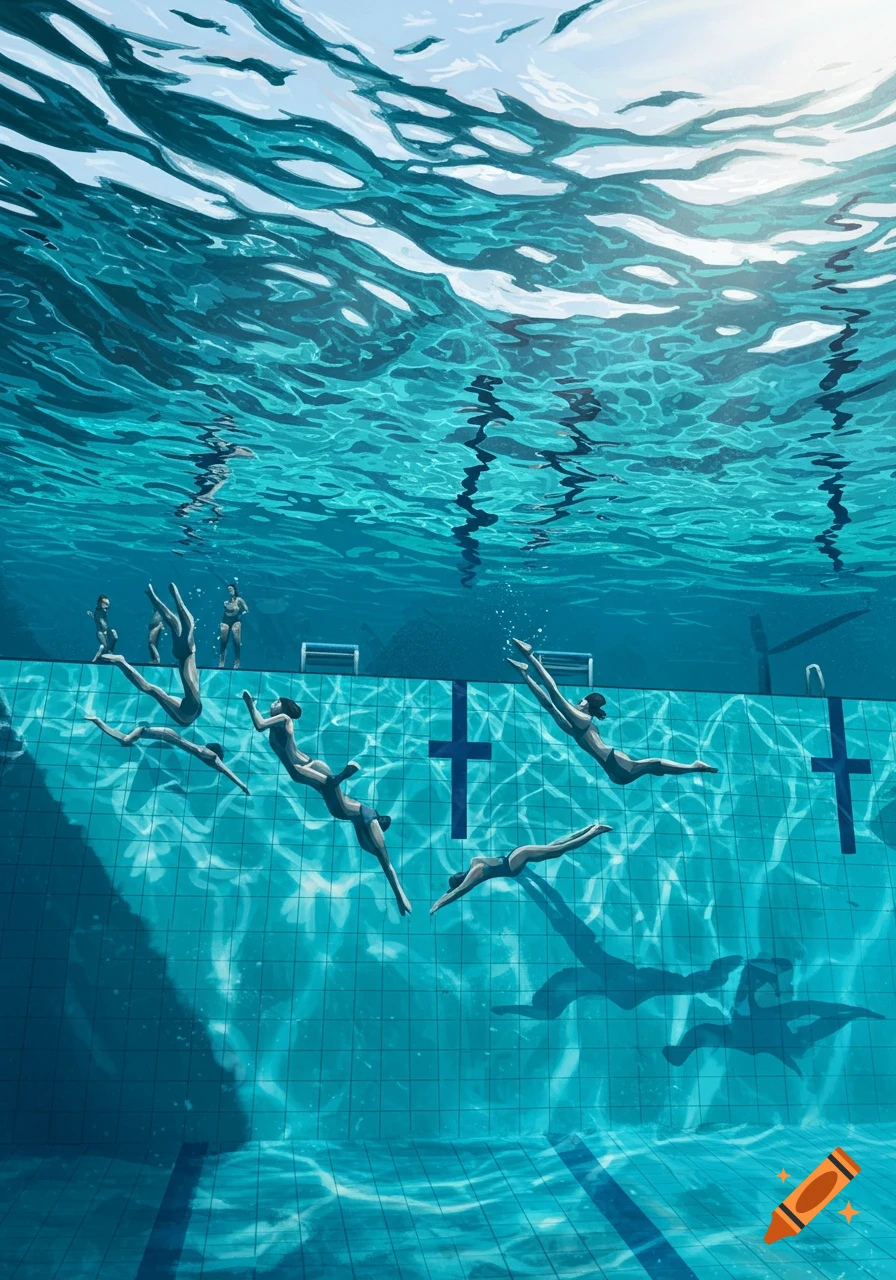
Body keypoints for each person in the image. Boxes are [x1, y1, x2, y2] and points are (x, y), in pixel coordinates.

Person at [242, 691, 411, 916]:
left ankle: (344, 775)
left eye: (277, 702)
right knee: (377, 850)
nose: (273, 703)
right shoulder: (281, 722)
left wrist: (250, 704)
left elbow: (259, 724)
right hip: (310, 771)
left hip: (311, 773)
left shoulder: (284, 719)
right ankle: (343, 775)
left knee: (381, 853)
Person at [508, 638, 717, 784]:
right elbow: (548, 703)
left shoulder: (581, 721)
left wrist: (530, 656)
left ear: (585, 703)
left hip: (615, 765)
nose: (576, 703)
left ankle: (695, 767)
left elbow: (554, 693)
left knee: (656, 764)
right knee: (655, 766)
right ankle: (694, 767)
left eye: (580, 701)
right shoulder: (575, 726)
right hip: (616, 768)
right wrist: (526, 676)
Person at [430, 822, 611, 915]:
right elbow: (455, 889)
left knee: (558, 850)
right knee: (553, 846)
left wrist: (438, 904)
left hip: (514, 863)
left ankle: (595, 831)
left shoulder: (476, 872)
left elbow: (460, 891)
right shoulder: (474, 862)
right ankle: (587, 829)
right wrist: (444, 896)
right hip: (514, 855)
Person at [100, 583, 201, 726]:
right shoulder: (188, 707)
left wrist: (155, 597)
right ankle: (121, 663)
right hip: (188, 713)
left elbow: (177, 620)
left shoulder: (188, 653)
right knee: (153, 689)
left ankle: (121, 662)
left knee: (182, 626)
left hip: (190, 707)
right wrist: (154, 597)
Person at [87, 715, 249, 795]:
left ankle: (98, 722)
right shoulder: (211, 756)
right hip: (168, 736)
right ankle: (100, 721)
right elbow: (226, 770)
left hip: (169, 735)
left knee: (125, 741)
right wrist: (243, 786)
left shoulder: (204, 753)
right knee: (127, 740)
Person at [219, 583, 248, 670]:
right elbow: (225, 613)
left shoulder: (239, 600)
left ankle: (237, 660)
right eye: (228, 590)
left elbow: (246, 609)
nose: (230, 591)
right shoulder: (225, 602)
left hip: (236, 620)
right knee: (223, 640)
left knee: (236, 640)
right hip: (226, 621)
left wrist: (241, 615)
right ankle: (221, 661)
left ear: (234, 590)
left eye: (231, 589)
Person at [88, 595, 118, 663]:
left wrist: (92, 615)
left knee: (115, 636)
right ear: (99, 603)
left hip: (106, 630)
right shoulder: (99, 610)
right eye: (104, 603)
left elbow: (97, 617)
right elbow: (98, 614)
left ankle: (110, 652)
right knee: (103, 646)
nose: (106, 606)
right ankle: (95, 659)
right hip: (100, 632)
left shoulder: (101, 611)